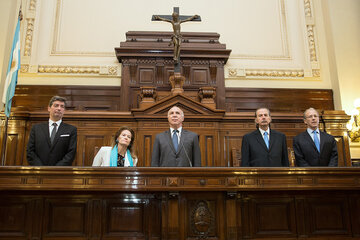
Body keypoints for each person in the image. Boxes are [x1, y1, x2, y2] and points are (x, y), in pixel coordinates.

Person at [27, 96, 77, 166]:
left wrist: (55, 169)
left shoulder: (71, 130)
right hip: (38, 172)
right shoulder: (36, 128)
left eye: (62, 106)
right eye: (56, 105)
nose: (59, 108)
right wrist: (41, 168)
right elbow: (30, 151)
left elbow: (71, 153)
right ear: (49, 108)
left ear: (64, 111)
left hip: (60, 173)